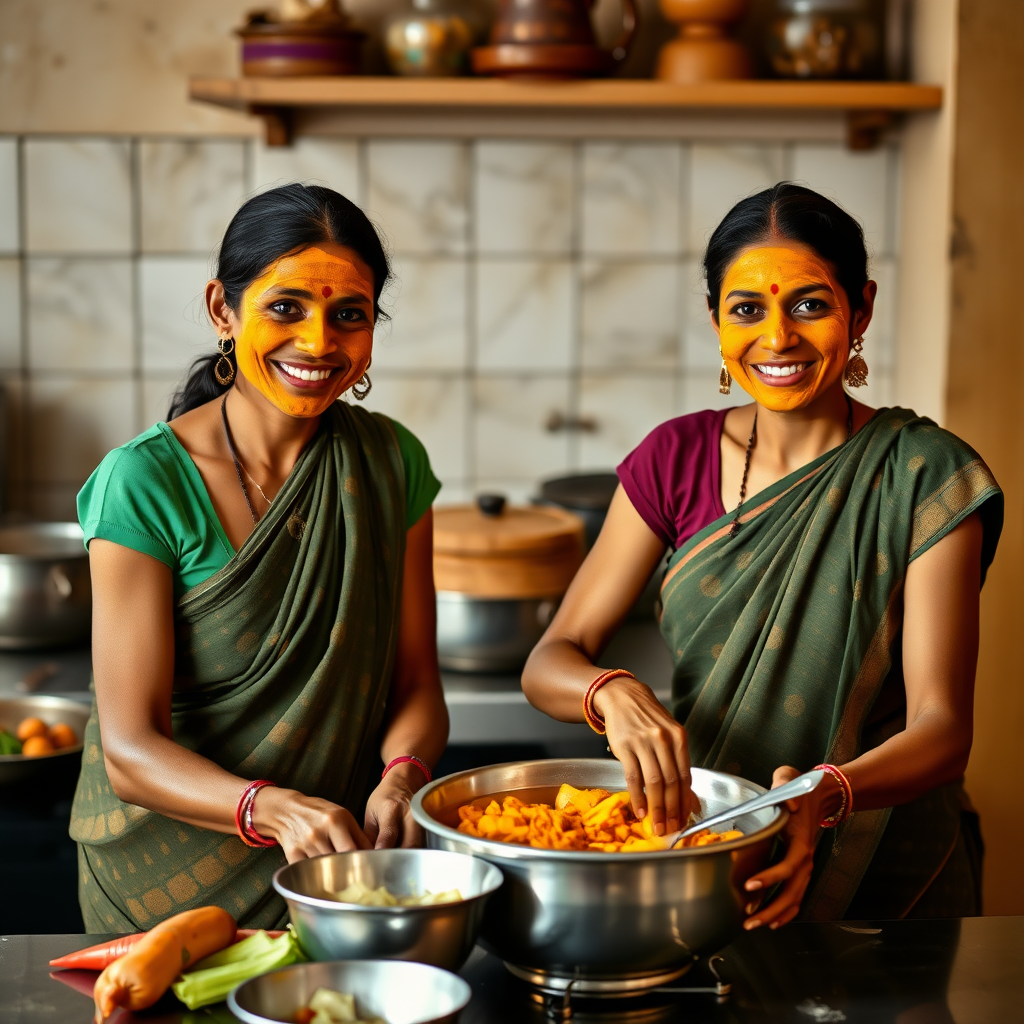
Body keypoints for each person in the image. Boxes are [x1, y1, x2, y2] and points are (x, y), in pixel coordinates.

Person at [522, 183, 1002, 926]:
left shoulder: (924, 474)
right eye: (748, 309)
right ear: (716, 320)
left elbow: (942, 731)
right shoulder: (672, 459)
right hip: (710, 852)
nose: (777, 338)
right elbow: (551, 658)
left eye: (809, 304)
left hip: (887, 869)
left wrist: (823, 796)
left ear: (862, 309)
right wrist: (610, 693)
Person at [70, 184, 448, 932]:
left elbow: (415, 685)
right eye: (285, 308)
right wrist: (267, 808)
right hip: (162, 893)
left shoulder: (391, 463)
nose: (317, 342)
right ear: (223, 310)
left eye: (349, 315)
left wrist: (404, 777)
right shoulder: (144, 480)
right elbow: (130, 750)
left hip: (332, 878)